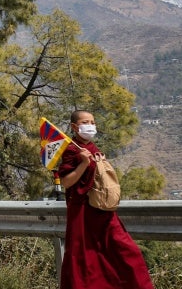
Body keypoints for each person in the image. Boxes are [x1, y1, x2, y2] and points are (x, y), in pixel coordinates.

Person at [58, 110, 154, 289]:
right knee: (84, 259)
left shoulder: (93, 148)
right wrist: (84, 164)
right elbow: (66, 181)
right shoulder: (71, 150)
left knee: (125, 251)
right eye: (86, 122)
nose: (91, 126)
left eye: (93, 122)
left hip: (103, 211)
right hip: (82, 212)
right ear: (74, 127)